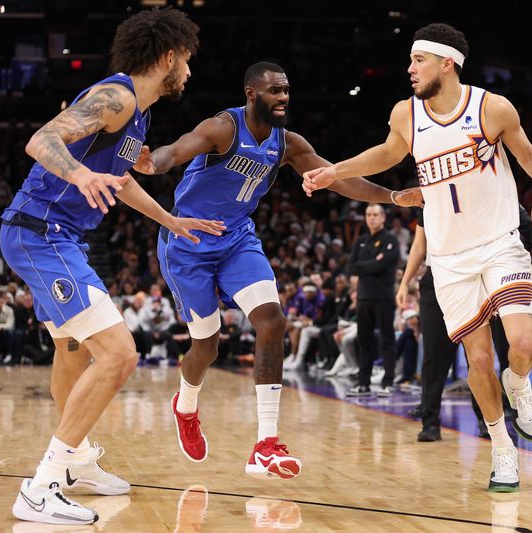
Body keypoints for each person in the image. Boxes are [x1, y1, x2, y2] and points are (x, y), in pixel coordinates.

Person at [303, 23, 532, 491]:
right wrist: (334, 170)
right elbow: (386, 154)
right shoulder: (406, 115)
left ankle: (519, 384)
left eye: (418, 60)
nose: (409, 69)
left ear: (446, 63)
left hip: (499, 241)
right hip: (449, 256)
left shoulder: (491, 108)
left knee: (522, 346)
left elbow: (531, 157)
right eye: (410, 60)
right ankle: (502, 450)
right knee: (478, 361)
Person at [135, 62, 423, 478]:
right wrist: (152, 163)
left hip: (236, 240)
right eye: (274, 91)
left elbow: (335, 178)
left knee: (272, 322)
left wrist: (396, 196)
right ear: (252, 94)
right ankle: (185, 405)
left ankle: (266, 443)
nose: (284, 97)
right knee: (208, 346)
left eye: (286, 90)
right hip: (188, 243)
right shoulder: (222, 128)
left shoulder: (287, 143)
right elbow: (176, 150)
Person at [0, 8, 223, 525]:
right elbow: (42, 140)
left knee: (72, 353)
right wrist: (79, 174)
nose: (188, 72)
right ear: (168, 56)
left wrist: (171, 219)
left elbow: (121, 180)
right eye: (186, 60)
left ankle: (75, 461)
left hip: (59, 238)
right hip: (40, 233)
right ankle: (42, 486)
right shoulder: (117, 96)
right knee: (120, 354)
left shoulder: (138, 114)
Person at [398, 205, 532, 443]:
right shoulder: (432, 193)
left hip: (483, 269)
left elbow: (524, 219)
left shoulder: (491, 182)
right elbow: (419, 244)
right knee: (436, 354)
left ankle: (491, 417)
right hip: (441, 274)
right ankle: (430, 420)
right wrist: (405, 282)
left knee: (488, 353)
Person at [345, 204, 399, 397]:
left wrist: (364, 266)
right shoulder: (361, 240)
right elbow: (351, 267)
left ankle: (388, 382)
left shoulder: (390, 239)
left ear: (383, 217)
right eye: (368, 215)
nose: (372, 218)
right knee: (364, 341)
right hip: (363, 297)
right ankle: (363, 383)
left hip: (383, 297)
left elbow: (384, 264)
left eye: (375, 215)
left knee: (387, 340)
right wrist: (372, 263)